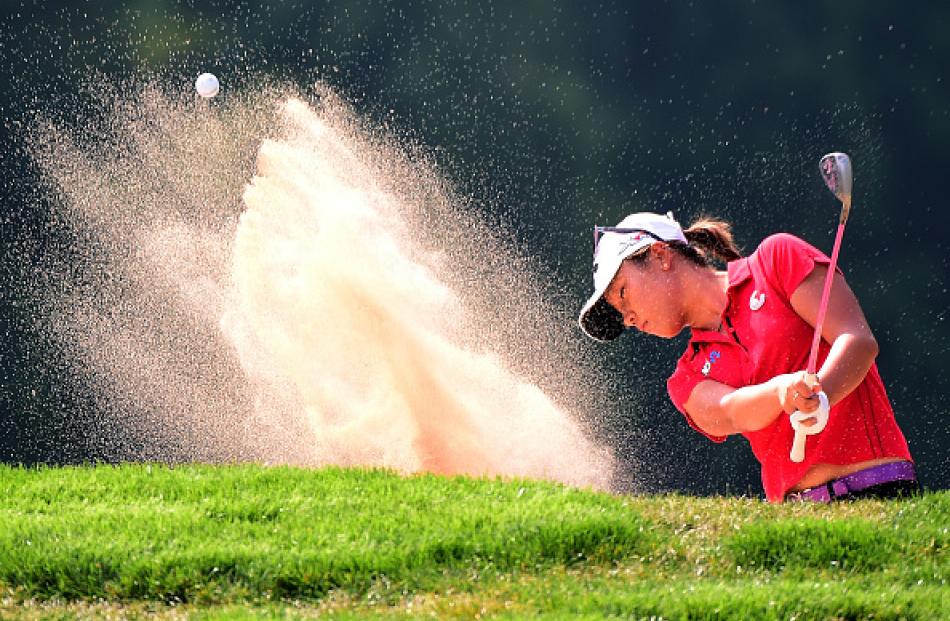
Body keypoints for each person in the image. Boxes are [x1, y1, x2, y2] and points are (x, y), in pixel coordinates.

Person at [578, 211, 917, 503]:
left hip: (882, 488)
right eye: (620, 315)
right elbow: (734, 410)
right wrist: (781, 392)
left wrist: (821, 394)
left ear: (660, 255)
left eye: (623, 293)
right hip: (798, 521)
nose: (628, 319)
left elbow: (857, 340)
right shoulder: (687, 378)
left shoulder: (776, 261)